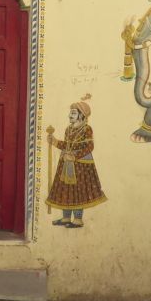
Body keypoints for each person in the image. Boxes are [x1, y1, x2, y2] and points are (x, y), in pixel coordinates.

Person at [46, 95, 106, 228]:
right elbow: (67, 145)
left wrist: (75, 157)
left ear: (81, 115)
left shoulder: (86, 129)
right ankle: (66, 217)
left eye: (73, 113)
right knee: (66, 190)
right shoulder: (69, 129)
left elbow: (90, 147)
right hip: (66, 163)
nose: (70, 115)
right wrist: (55, 142)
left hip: (81, 165)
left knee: (79, 191)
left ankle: (78, 220)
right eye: (70, 113)